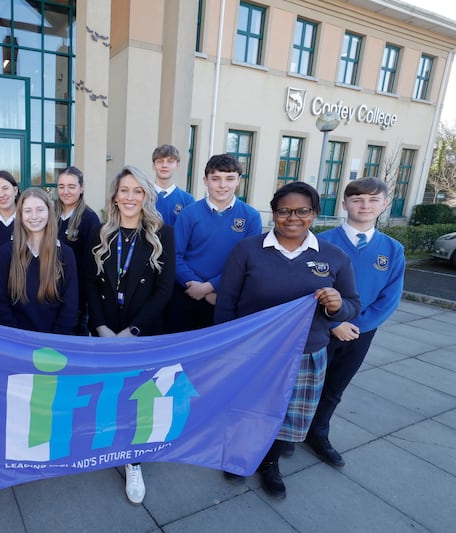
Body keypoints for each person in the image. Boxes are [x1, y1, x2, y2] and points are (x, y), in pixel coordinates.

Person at [215, 181, 360, 500]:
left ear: (315, 214)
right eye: (284, 211)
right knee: (247, 408)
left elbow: (352, 304)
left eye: (302, 211)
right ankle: (240, 457)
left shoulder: (333, 257)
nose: (292, 217)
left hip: (306, 353)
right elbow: (226, 302)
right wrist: (226, 347)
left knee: (288, 414)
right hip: (253, 352)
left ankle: (270, 463)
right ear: (274, 213)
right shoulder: (248, 251)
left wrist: (337, 306)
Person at [85, 165, 175, 505]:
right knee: (110, 393)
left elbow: (164, 290)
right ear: (114, 195)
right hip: (106, 328)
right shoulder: (100, 231)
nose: (130, 197)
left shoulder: (162, 232)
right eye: (124, 190)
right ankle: (107, 446)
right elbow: (90, 284)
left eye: (137, 191)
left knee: (139, 398)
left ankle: (133, 461)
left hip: (142, 330)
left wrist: (132, 331)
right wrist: (101, 328)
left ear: (146, 196)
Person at [302, 177, 404, 466]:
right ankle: (289, 432)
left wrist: (358, 326)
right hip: (319, 328)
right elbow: (306, 288)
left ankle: (318, 432)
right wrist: (335, 323)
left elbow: (389, 298)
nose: (365, 205)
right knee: (305, 382)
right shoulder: (321, 242)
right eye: (357, 199)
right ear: (345, 203)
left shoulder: (393, 249)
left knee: (335, 387)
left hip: (360, 332)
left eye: (373, 200)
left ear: (384, 205)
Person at [167, 154, 262, 332]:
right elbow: (175, 255)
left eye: (229, 179)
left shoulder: (251, 217)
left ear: (239, 181)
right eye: (216, 179)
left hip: (225, 297)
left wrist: (209, 288)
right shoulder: (189, 214)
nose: (222, 185)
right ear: (205, 180)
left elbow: (249, 262)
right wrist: (197, 286)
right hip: (187, 292)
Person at [0, 187, 79, 334]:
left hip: (54, 343)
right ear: (20, 214)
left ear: (49, 212)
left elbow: (70, 306)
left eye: (40, 210)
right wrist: (18, 338)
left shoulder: (65, 254)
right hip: (17, 342)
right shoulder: (6, 253)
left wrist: (54, 341)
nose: (34, 216)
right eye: (27, 211)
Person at [55, 166, 101, 335]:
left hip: (75, 299)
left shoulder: (89, 219)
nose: (65, 191)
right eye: (61, 186)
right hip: (52, 295)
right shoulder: (52, 215)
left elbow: (91, 266)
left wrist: (78, 299)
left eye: (71, 186)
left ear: (82, 188)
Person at [151, 144, 194, 226]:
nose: (164, 165)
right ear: (153, 166)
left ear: (177, 165)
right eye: (160, 161)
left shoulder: (187, 200)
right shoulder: (144, 196)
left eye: (170, 162)